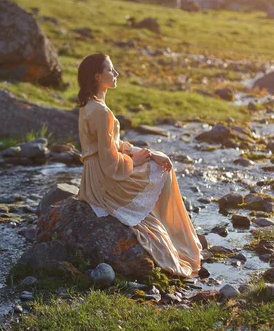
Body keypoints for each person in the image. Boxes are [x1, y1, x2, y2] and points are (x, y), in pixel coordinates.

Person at [76, 53, 202, 277]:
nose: (116, 74)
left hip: (93, 177)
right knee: (161, 170)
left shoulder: (89, 106)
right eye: (111, 70)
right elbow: (109, 160)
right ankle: (175, 232)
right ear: (97, 76)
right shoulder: (101, 112)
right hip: (106, 178)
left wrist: (148, 153)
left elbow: (110, 146)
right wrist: (134, 161)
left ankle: (169, 227)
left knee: (158, 159)